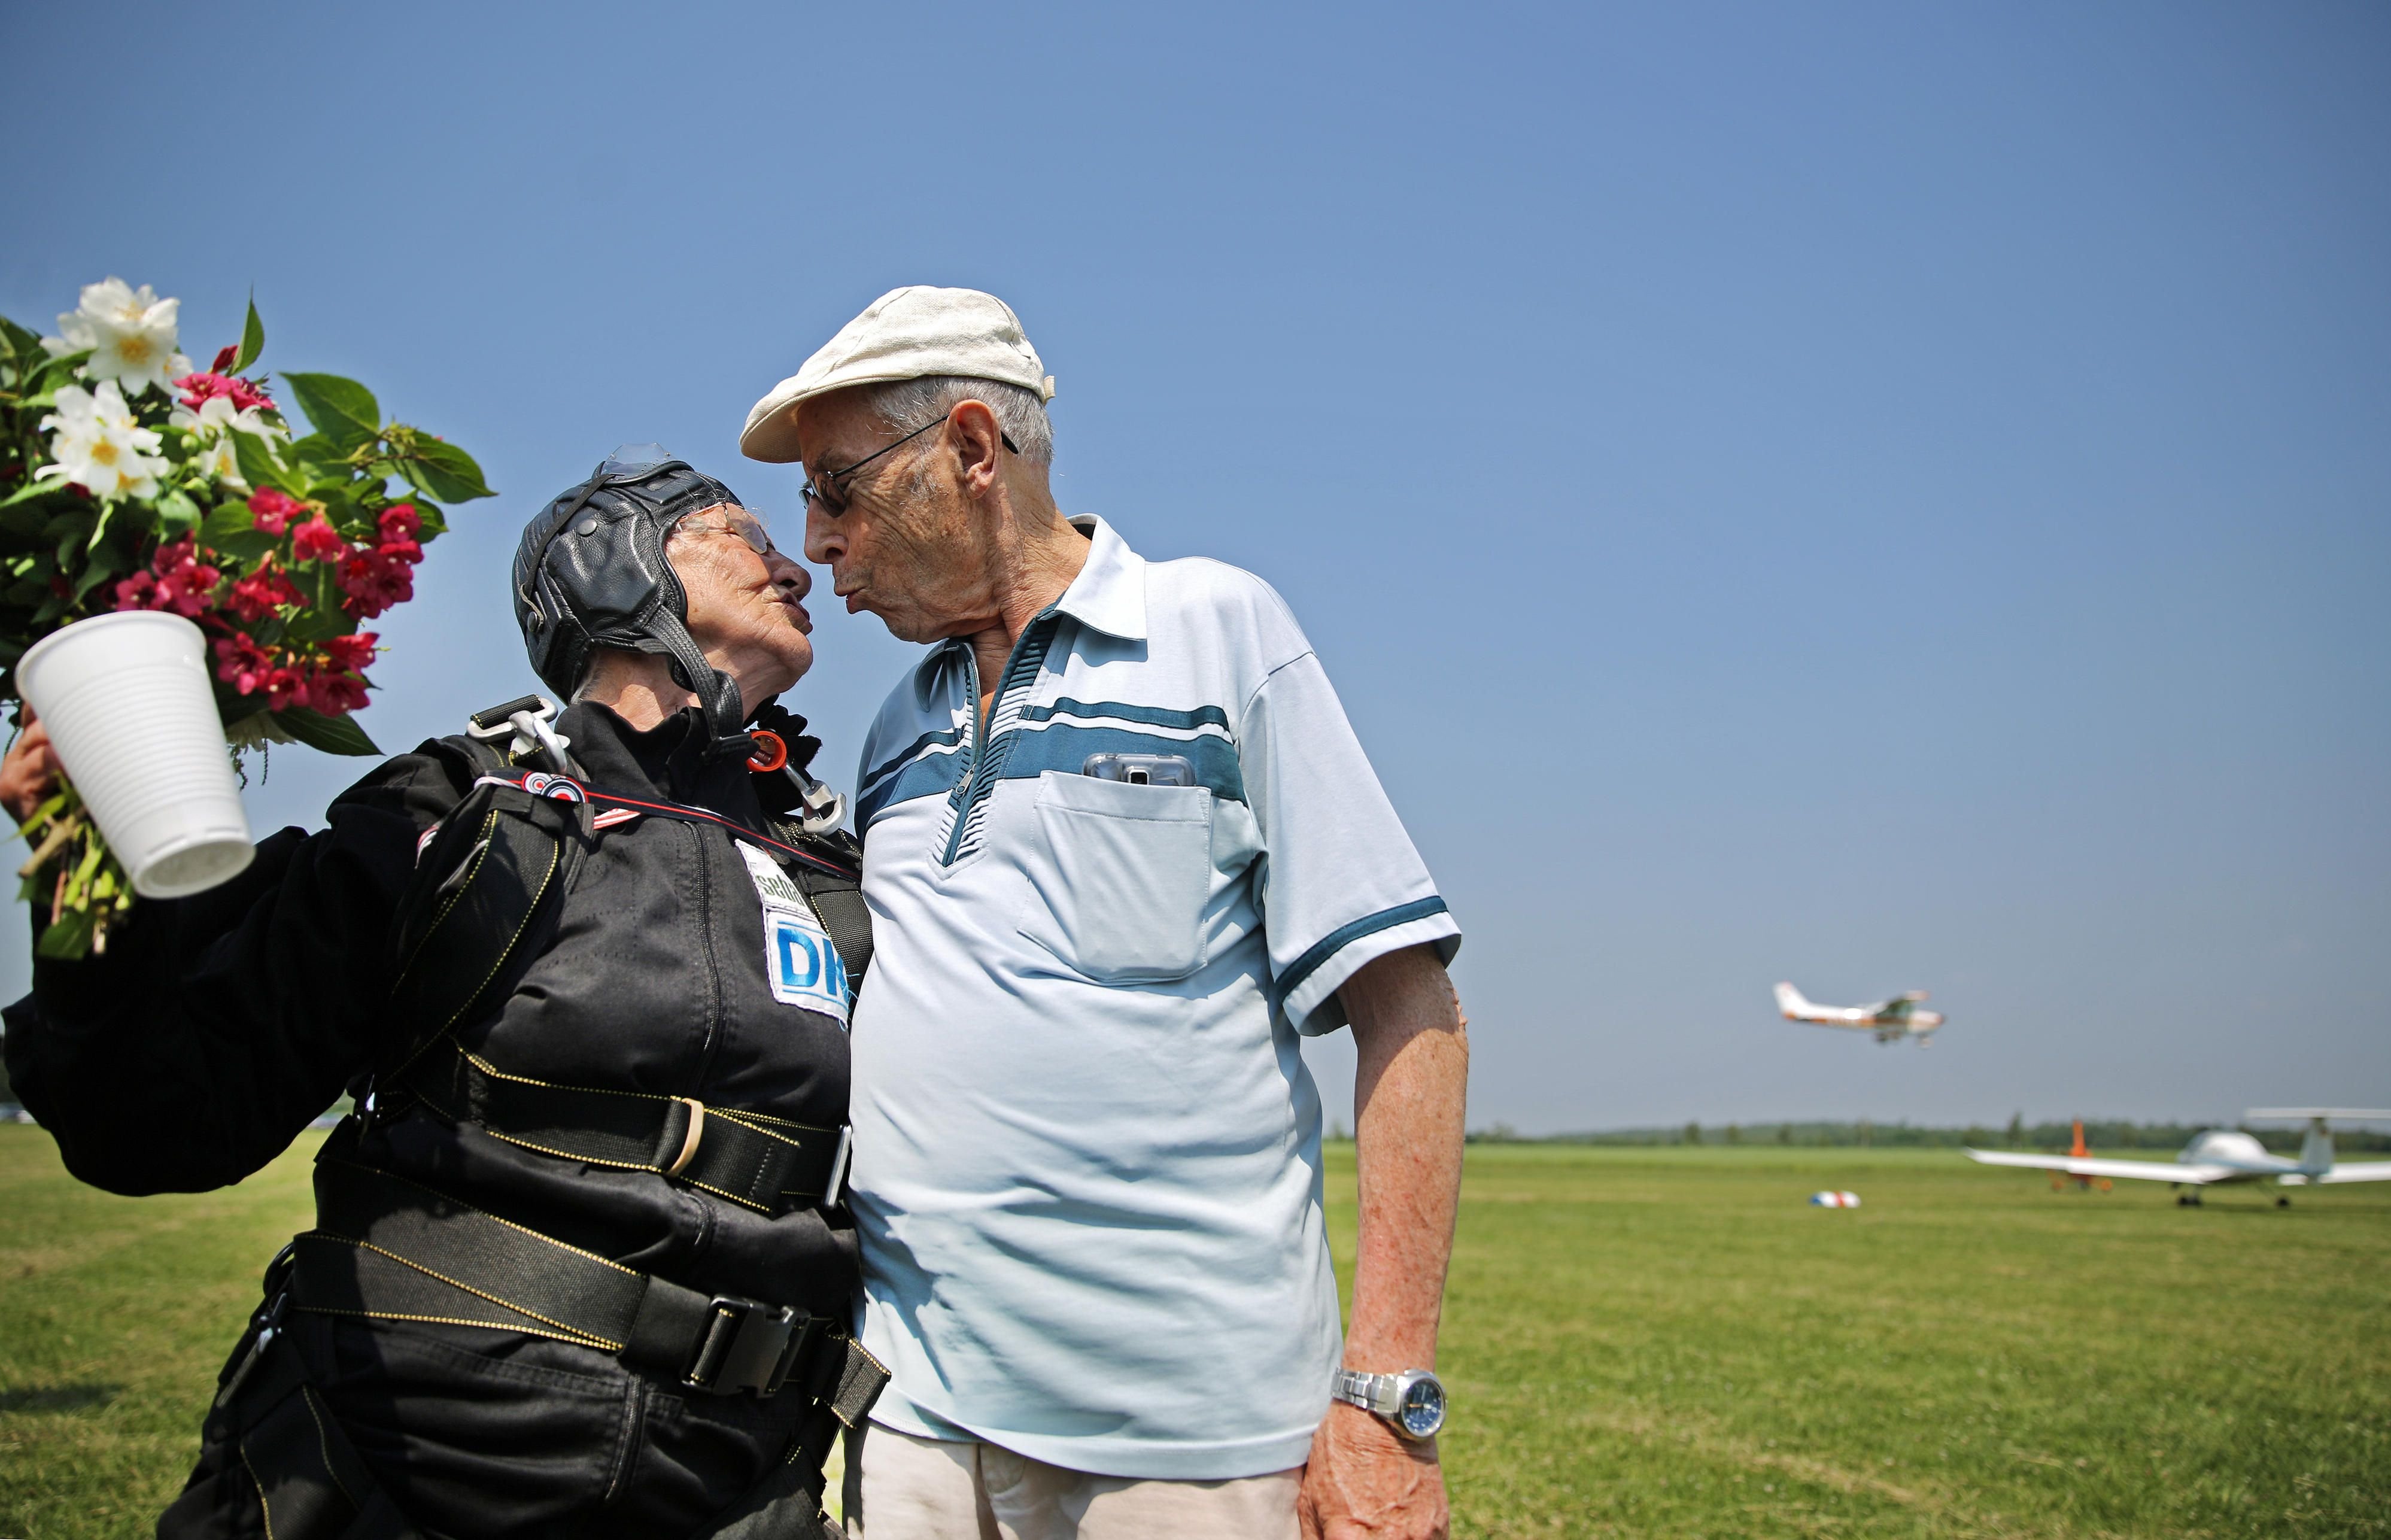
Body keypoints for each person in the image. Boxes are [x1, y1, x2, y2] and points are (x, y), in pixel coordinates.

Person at [1, 448, 883, 1540]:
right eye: (746, 535)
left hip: (739, 1489)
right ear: (616, 561)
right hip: (398, 1466)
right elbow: (164, 1118)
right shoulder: (461, 808)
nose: (794, 567)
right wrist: (88, 897)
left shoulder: (835, 866)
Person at [738, 288, 1470, 1540]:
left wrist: (1385, 1398)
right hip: (911, 1422)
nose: (814, 541)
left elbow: (1409, 1010)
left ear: (972, 451)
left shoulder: (1214, 630)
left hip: (1186, 1444)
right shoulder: (896, 722)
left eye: (836, 489)